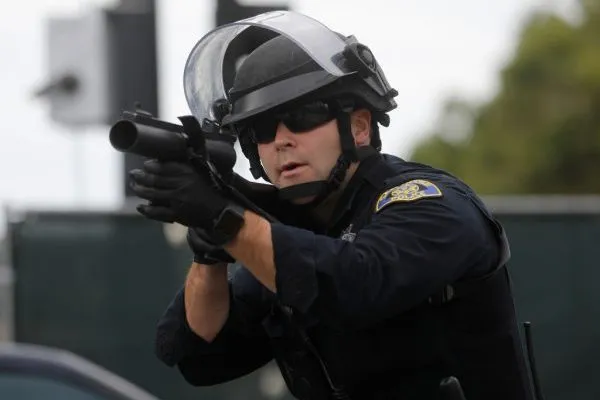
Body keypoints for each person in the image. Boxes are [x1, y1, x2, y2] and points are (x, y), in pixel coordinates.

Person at [128, 11, 534, 400]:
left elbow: (354, 285)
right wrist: (210, 249)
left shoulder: (430, 205)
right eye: (262, 129)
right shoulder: (287, 236)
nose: (281, 140)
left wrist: (225, 219)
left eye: (303, 115)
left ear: (359, 126)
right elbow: (199, 354)